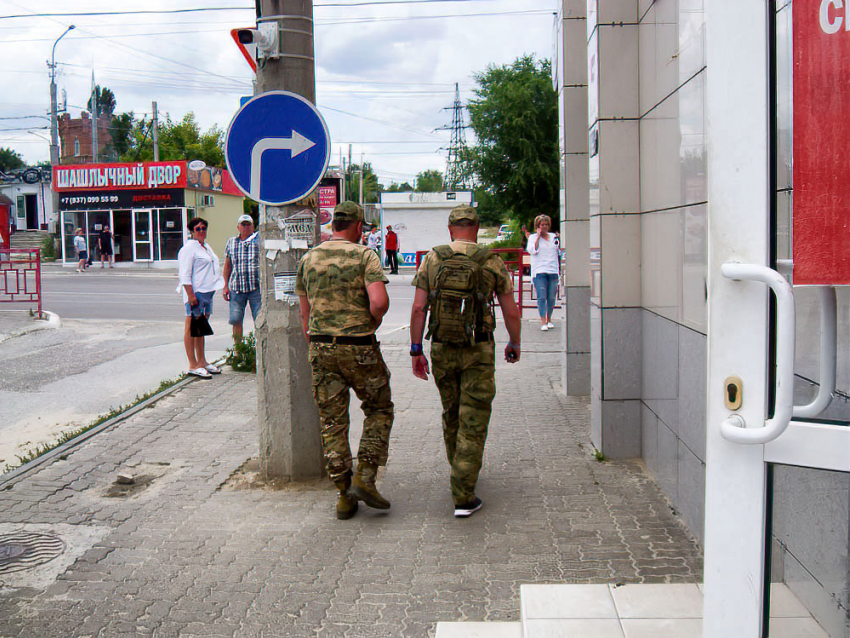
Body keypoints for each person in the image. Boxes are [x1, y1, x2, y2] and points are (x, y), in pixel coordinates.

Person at [409, 204, 522, 518]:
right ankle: (463, 494)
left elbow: (419, 309)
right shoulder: (492, 261)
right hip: (478, 351)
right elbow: (511, 310)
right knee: (474, 420)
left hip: (442, 349)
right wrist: (515, 341)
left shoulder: (433, 259)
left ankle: (461, 469)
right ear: (476, 227)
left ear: (450, 228)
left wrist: (416, 350)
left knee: (452, 412)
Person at [296, 201, 394, 521]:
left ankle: (343, 494)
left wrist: (317, 342)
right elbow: (379, 301)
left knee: (332, 421)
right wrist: (371, 323)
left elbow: (304, 314)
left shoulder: (309, 258)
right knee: (378, 407)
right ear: (356, 226)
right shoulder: (364, 255)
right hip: (360, 347)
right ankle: (366, 476)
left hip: (322, 348)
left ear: (334, 224)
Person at [177, 217, 224, 379]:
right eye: (198, 228)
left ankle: (202, 360)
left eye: (204, 228)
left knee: (201, 328)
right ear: (191, 231)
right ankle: (193, 364)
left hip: (207, 292)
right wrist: (190, 295)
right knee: (191, 327)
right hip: (195, 293)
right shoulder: (189, 248)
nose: (202, 231)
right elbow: (185, 274)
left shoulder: (205, 247)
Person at [222, 214, 260, 343]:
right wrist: (225, 286)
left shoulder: (259, 240)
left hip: (256, 287)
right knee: (236, 319)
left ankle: (259, 348)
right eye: (243, 225)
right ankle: (239, 349)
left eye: (248, 224)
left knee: (259, 319)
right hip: (237, 287)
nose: (246, 227)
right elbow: (228, 266)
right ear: (238, 227)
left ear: (253, 226)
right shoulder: (231, 242)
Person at [527, 214, 560, 331]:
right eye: (542, 225)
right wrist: (538, 237)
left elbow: (559, 250)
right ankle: (543, 321)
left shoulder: (553, 237)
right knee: (542, 296)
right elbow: (532, 250)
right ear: (538, 226)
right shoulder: (532, 237)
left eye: (546, 225)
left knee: (551, 296)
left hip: (553, 270)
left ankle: (549, 318)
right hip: (539, 271)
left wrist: (559, 238)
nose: (544, 227)